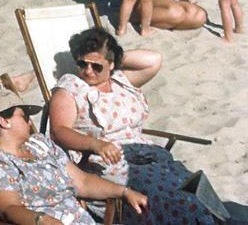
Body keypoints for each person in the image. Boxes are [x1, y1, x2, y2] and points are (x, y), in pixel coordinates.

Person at [48, 28, 214, 224]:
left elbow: (154, 59)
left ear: (111, 64)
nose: (88, 71)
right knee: (159, 196)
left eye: (97, 66)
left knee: (189, 186)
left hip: (146, 155)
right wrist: (95, 144)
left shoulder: (121, 80)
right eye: (82, 63)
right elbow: (59, 131)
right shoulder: (71, 88)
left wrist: (113, 55)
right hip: (105, 163)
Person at [0, 88, 148, 225]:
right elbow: (8, 208)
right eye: (24, 116)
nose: (30, 121)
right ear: (4, 121)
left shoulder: (39, 144)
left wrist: (124, 192)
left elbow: (82, 181)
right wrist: (40, 220)